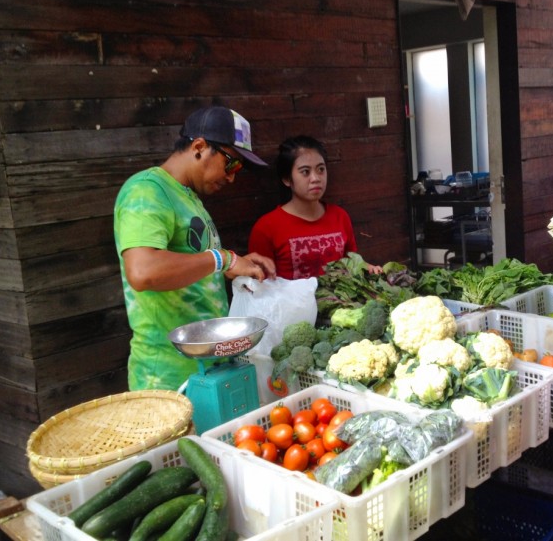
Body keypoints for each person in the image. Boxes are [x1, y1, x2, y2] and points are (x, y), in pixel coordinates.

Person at [114, 106, 276, 391]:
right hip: (167, 378)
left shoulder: (188, 198)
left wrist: (233, 265)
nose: (232, 177)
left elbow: (192, 265)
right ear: (199, 147)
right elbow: (143, 271)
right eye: (231, 163)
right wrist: (222, 259)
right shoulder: (145, 191)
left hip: (206, 370)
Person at [248, 135, 381, 279]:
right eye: (305, 172)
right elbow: (260, 283)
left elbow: (352, 263)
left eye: (321, 169)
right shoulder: (266, 227)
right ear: (287, 179)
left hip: (340, 300)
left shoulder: (340, 217)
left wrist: (368, 268)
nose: (316, 178)